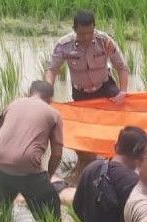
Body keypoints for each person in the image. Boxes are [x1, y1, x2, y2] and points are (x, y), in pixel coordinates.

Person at [44, 9, 130, 183]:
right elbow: (52, 70)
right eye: (82, 33)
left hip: (106, 88)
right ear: (74, 29)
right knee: (83, 131)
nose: (86, 37)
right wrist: (47, 94)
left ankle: (114, 162)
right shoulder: (64, 45)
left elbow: (122, 67)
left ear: (94, 28)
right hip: (81, 93)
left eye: (90, 32)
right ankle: (85, 163)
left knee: (116, 126)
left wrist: (123, 92)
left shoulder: (104, 41)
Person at [0, 81, 63, 222]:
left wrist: (0, 158)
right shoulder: (53, 113)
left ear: (30, 93)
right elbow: (57, 153)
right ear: (50, 99)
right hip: (27, 166)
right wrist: (48, 176)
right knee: (51, 210)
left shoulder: (13, 104)